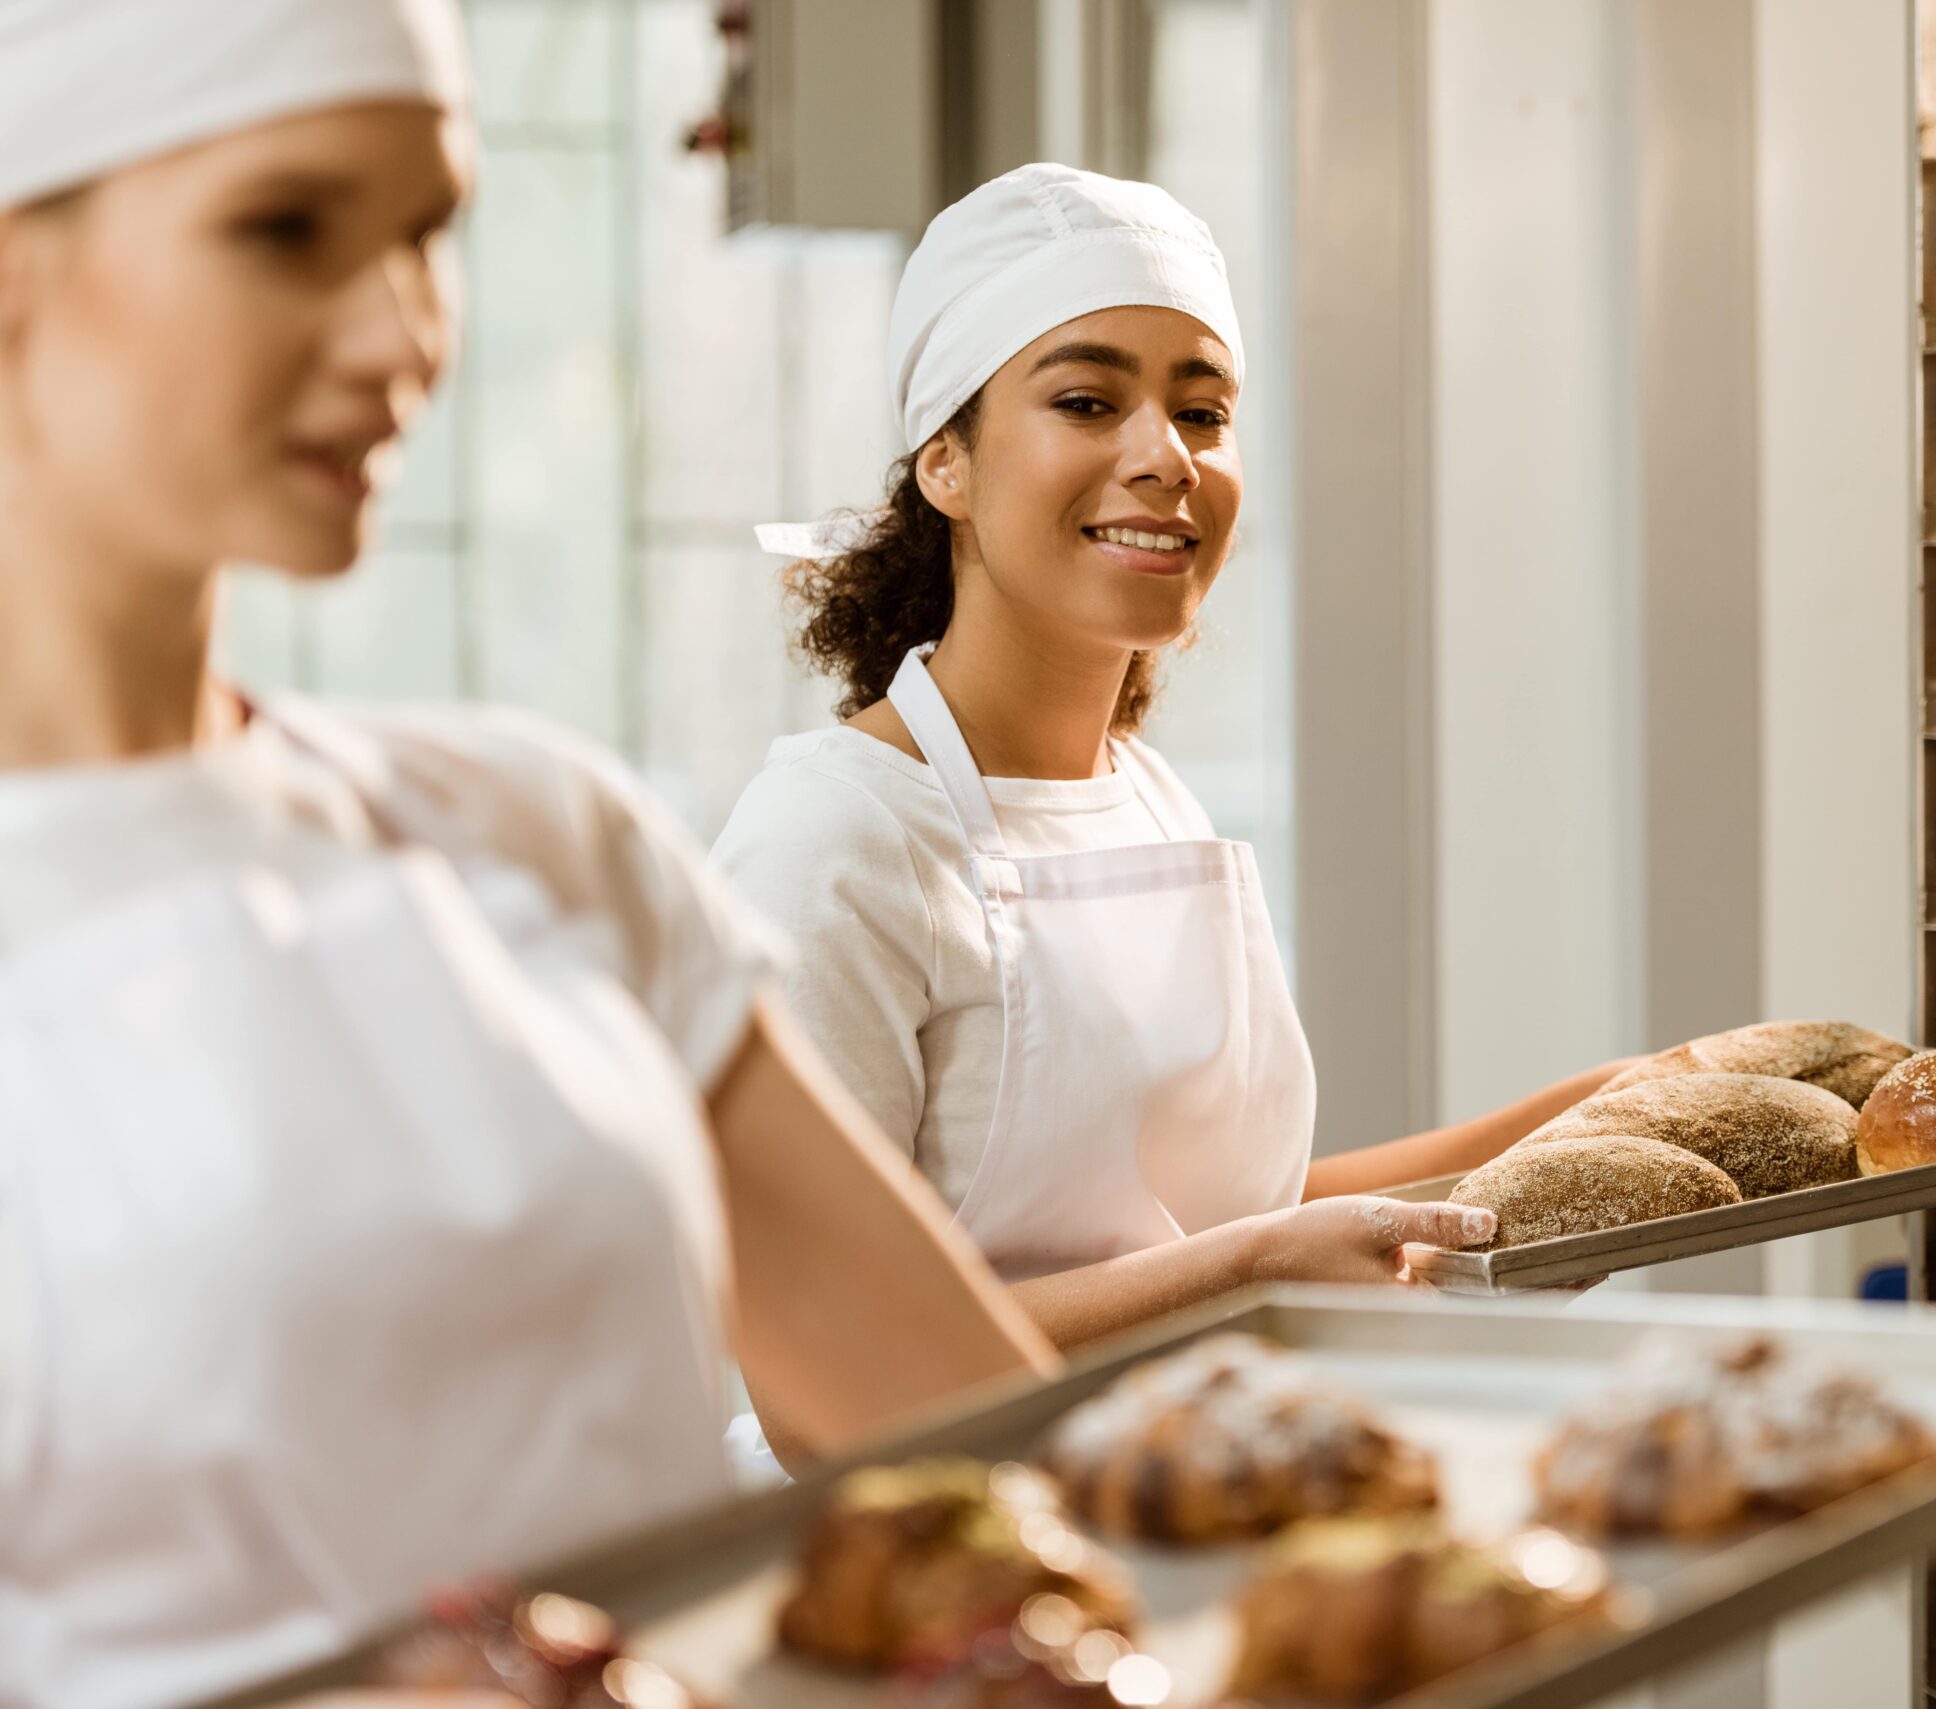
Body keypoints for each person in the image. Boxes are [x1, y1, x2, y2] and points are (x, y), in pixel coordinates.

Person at [0, 3, 1054, 1703]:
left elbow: (976, 1486)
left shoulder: (534, 832)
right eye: (286, 230)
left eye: (428, 234)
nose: (400, 332)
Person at [714, 166, 1633, 1349]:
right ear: (944, 460)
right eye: (1088, 403)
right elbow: (826, 1370)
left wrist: (1615, 1104)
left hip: (1198, 1492)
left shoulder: (1143, 793)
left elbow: (1224, 1225)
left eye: (1201, 412)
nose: (1167, 457)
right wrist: (1252, 1273)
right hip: (961, 1523)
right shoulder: (831, 846)